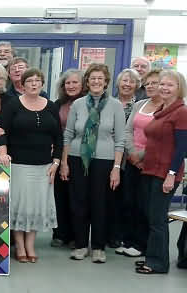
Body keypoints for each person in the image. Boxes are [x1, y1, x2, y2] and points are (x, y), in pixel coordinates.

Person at [60, 63, 125, 263]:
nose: (96, 82)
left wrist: (116, 168)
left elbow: (120, 140)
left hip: (104, 162)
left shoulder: (116, 106)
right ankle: (80, 245)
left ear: (106, 82)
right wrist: (64, 162)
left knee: (100, 204)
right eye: (92, 78)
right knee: (78, 203)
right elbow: (68, 135)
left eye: (100, 78)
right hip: (77, 159)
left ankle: (98, 247)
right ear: (87, 82)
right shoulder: (78, 105)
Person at [0, 68, 62, 263]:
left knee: (35, 207)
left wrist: (56, 162)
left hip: (44, 167)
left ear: (42, 84)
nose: (34, 84)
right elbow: (1, 131)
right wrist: (2, 152)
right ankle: (20, 245)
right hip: (18, 165)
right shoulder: (12, 105)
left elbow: (58, 137)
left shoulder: (51, 106)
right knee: (20, 206)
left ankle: (31, 244)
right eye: (30, 81)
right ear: (22, 85)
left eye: (37, 80)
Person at [135, 70, 187, 274]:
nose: (164, 88)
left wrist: (172, 174)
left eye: (169, 85)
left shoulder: (181, 112)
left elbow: (182, 148)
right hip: (151, 169)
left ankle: (158, 263)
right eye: (162, 84)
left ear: (179, 88)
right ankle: (153, 256)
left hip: (165, 173)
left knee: (157, 219)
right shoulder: (163, 110)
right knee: (151, 216)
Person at [118, 69, 163, 258]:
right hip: (132, 160)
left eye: (156, 83)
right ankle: (128, 240)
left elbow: (158, 137)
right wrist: (132, 154)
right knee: (129, 201)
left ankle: (140, 243)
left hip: (150, 163)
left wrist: (141, 156)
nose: (151, 86)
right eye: (148, 83)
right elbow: (127, 130)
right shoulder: (140, 104)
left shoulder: (167, 108)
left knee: (144, 205)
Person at [51, 69, 85, 248]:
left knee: (77, 197)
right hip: (58, 154)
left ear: (83, 84)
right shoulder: (57, 104)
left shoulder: (88, 104)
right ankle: (60, 233)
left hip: (79, 155)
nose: (71, 86)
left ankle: (75, 236)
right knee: (59, 196)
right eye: (67, 83)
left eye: (75, 82)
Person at [107, 68, 140, 249]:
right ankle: (109, 235)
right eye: (124, 80)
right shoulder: (109, 103)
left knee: (127, 199)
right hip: (108, 157)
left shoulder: (140, 106)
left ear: (137, 85)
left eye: (131, 81)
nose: (127, 84)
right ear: (118, 83)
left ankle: (124, 236)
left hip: (132, 159)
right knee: (109, 199)